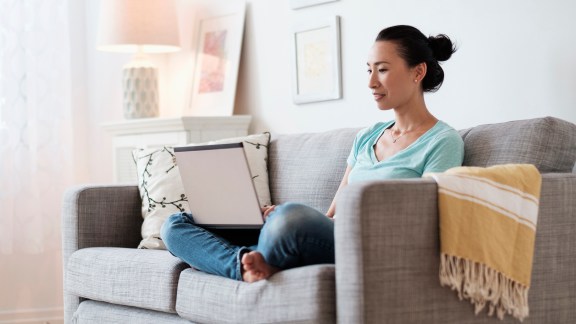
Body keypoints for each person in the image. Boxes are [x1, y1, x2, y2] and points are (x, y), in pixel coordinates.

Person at [161, 25, 464, 283]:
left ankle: (263, 254)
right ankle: (244, 264)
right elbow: (331, 215)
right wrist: (275, 215)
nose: (371, 82)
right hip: (327, 233)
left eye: (382, 70)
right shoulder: (367, 136)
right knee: (175, 225)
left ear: (418, 72)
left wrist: (289, 217)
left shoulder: (442, 141)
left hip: (367, 244)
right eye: (369, 70)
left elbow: (427, 224)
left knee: (289, 218)